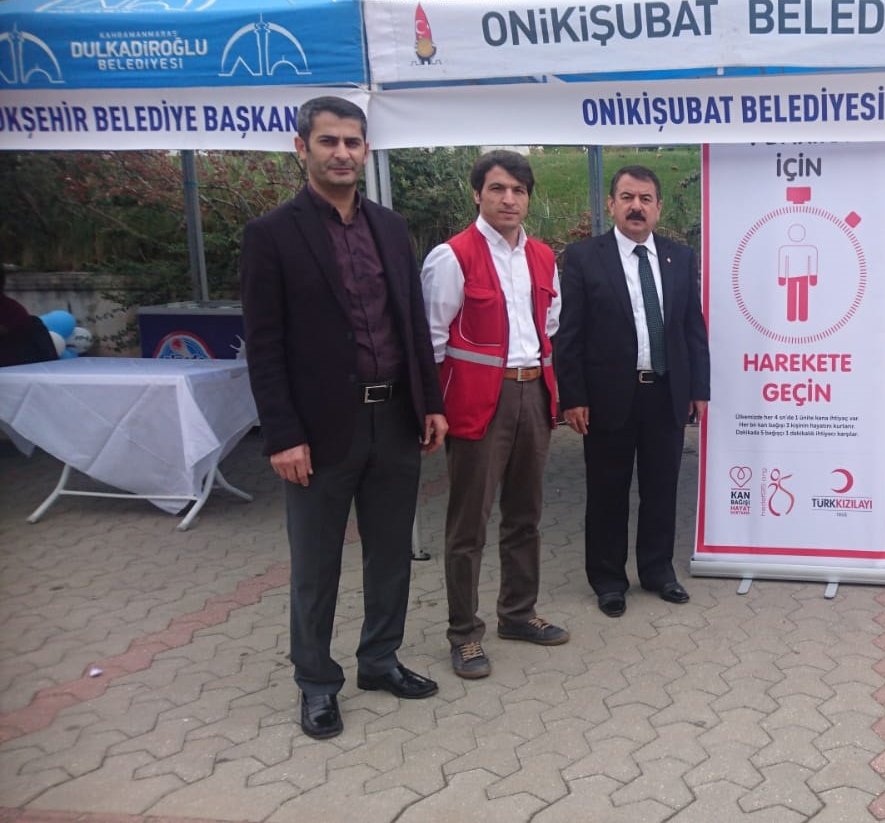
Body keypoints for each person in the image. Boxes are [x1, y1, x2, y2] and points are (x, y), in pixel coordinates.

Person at [240, 96, 447, 740]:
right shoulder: (271, 235)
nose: (342, 154)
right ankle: (316, 682)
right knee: (316, 563)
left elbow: (412, 323)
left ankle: (379, 660)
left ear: (366, 150)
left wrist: (431, 402)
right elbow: (264, 345)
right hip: (321, 430)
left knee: (390, 554)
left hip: (396, 418)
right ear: (301, 148)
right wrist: (282, 435)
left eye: (352, 142)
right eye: (328, 141)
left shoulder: (391, 227)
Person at [421, 150, 568, 680]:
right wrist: (433, 408)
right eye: (498, 189)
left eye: (519, 191)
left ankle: (518, 613)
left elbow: (550, 325)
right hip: (479, 404)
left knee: (525, 515)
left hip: (533, 394)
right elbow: (431, 341)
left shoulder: (543, 256)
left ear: (528, 198)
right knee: (469, 524)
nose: (509, 199)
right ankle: (464, 634)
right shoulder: (452, 256)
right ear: (477, 194)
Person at [554, 165, 710, 618]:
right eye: (627, 197)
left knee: (662, 487)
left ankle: (658, 571)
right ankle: (608, 579)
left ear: (658, 207)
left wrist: (698, 387)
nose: (636, 206)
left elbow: (692, 328)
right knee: (608, 491)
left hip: (666, 391)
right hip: (608, 396)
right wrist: (573, 397)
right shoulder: (584, 258)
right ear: (611, 205)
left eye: (645, 198)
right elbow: (569, 334)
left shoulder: (680, 258)